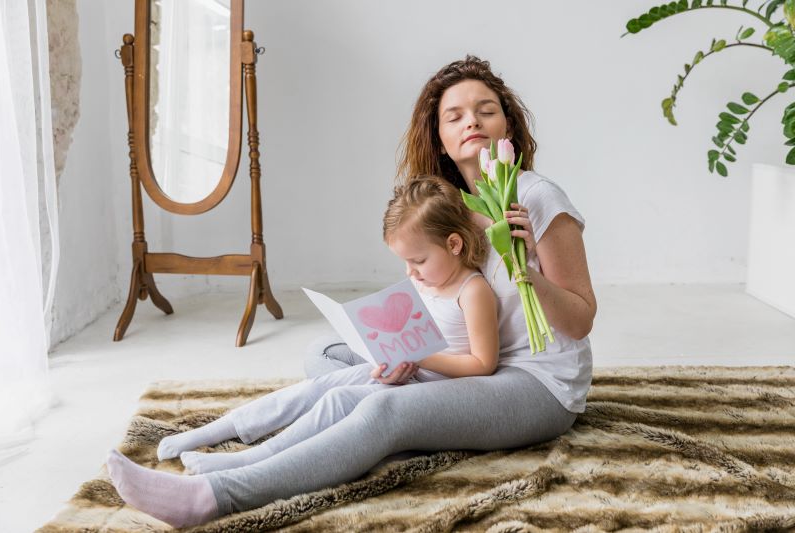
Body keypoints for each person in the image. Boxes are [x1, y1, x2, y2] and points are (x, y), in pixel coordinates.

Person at [106, 55, 596, 528]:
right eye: (456, 115)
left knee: (379, 404)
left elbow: (579, 319)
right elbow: (440, 300)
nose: (473, 121)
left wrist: (521, 266)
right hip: (465, 369)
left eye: (487, 110)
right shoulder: (448, 208)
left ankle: (213, 496)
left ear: (507, 126)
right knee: (327, 357)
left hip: (536, 386)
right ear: (441, 140)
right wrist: (403, 345)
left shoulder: (536, 198)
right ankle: (393, 430)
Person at [106, 176, 500, 527]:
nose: (411, 272)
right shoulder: (429, 280)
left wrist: (420, 357)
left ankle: (248, 463)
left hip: (433, 387)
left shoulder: (472, 290)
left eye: (418, 261)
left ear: (454, 244)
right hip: (405, 372)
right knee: (318, 389)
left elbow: (483, 364)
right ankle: (211, 432)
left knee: (341, 399)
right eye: (405, 263)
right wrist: (386, 347)